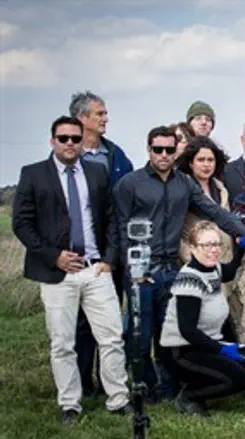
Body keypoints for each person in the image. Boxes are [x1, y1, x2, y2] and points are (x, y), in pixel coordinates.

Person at [114, 125, 245, 402]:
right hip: (140, 272)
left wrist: (244, 233)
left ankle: (169, 389)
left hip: (171, 269)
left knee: (168, 337)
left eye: (169, 149)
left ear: (175, 151)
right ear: (148, 149)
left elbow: (214, 211)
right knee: (138, 336)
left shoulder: (184, 183)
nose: (163, 154)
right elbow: (120, 228)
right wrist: (131, 268)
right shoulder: (130, 184)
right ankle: (144, 389)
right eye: (158, 149)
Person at [12, 116, 132, 424]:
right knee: (62, 343)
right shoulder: (33, 174)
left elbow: (111, 218)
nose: (69, 143)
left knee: (112, 338)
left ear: (82, 141)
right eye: (63, 138)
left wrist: (110, 259)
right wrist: (54, 257)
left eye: (75, 139)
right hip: (57, 274)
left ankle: (118, 399)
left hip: (96, 270)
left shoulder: (97, 172)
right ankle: (70, 404)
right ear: (52, 140)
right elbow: (21, 223)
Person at [161, 221, 245, 417]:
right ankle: (189, 396)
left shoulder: (213, 268)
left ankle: (202, 385)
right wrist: (222, 350)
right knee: (238, 378)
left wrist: (241, 248)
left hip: (206, 346)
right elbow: (188, 331)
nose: (213, 250)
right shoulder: (190, 279)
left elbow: (229, 271)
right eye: (206, 245)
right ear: (192, 248)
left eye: (216, 244)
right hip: (181, 351)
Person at [69, 90, 134, 397]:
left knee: (109, 321)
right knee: (81, 323)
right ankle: (83, 383)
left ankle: (110, 381)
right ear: (82, 118)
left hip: (112, 251)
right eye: (100, 113)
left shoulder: (115, 155)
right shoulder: (69, 154)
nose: (105, 118)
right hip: (79, 252)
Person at [175, 136, 234, 265]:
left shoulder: (221, 189)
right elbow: (175, 232)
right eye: (201, 160)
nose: (206, 165)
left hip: (224, 262)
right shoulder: (182, 188)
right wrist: (191, 259)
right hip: (194, 263)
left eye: (210, 160)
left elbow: (228, 223)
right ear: (191, 163)